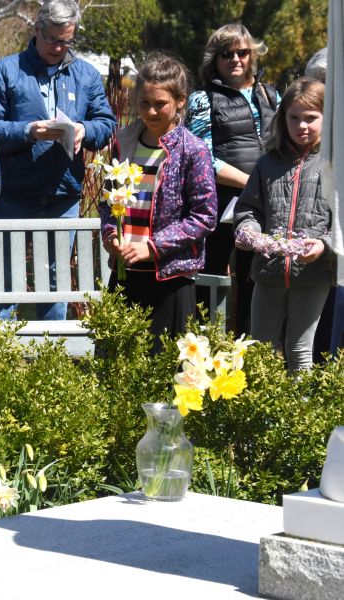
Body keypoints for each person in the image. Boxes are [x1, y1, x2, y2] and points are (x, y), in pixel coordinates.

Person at [0, 0, 117, 322]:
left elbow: (106, 123)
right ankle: (2, 356)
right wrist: (28, 131)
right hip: (15, 192)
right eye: (52, 38)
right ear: (36, 30)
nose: (58, 47)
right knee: (7, 279)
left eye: (66, 40)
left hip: (63, 192)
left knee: (55, 282)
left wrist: (85, 129)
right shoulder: (6, 71)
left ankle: (51, 355)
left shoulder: (86, 75)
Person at [100, 53, 217, 354]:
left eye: (160, 103)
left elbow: (204, 217)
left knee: (162, 372)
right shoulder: (123, 142)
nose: (150, 111)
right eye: (143, 103)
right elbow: (108, 201)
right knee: (116, 367)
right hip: (125, 272)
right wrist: (111, 234)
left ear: (180, 100)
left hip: (170, 278)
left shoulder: (193, 150)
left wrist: (153, 247)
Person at [185, 24, 281, 334]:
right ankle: (205, 348)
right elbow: (202, 158)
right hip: (220, 203)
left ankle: (249, 351)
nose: (236, 59)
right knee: (211, 276)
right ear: (214, 58)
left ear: (253, 55)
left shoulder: (271, 94)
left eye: (242, 52)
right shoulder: (202, 99)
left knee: (254, 277)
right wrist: (252, 182)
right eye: (227, 53)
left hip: (264, 203)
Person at [234, 78, 334, 374]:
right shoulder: (268, 163)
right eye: (294, 118)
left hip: (313, 274)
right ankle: (257, 418)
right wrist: (248, 230)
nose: (302, 126)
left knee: (299, 349)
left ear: (327, 119)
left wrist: (324, 246)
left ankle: (297, 417)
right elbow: (248, 209)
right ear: (283, 119)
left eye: (311, 118)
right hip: (268, 272)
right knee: (260, 349)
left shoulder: (334, 165)